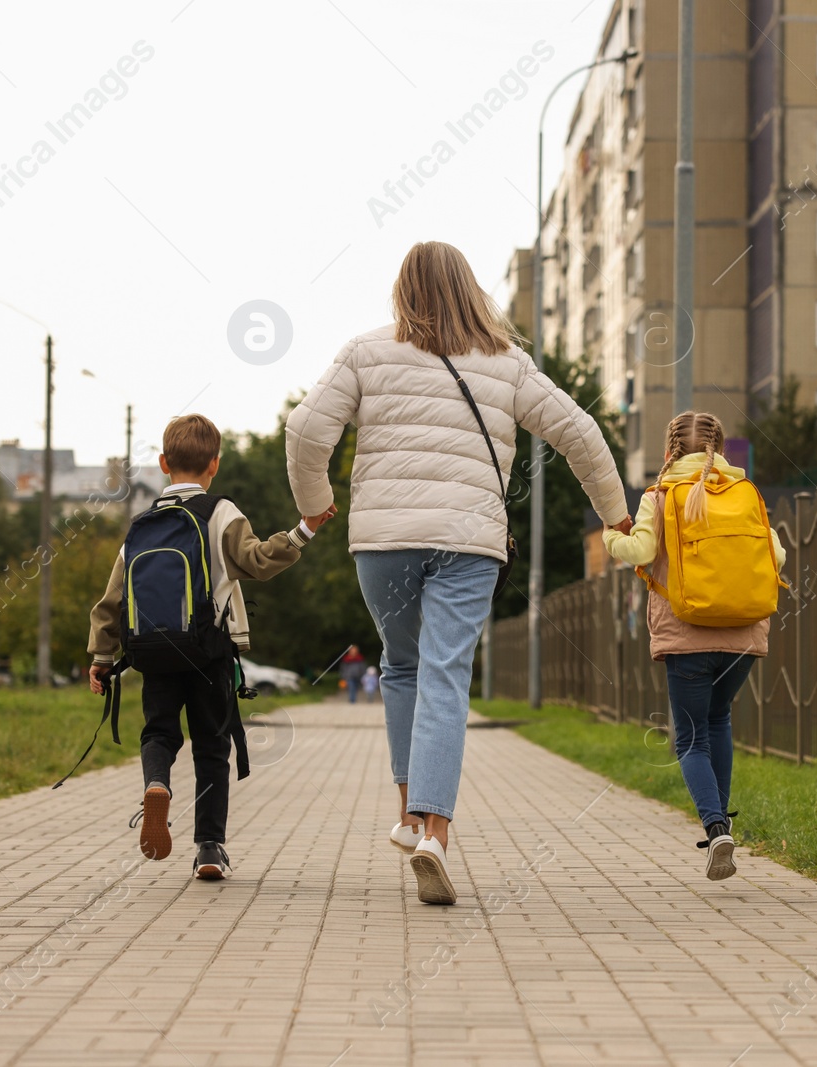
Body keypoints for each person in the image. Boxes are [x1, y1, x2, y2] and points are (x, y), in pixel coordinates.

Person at [286, 240, 629, 905]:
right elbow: (580, 433)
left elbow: (305, 431)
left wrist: (315, 503)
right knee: (445, 674)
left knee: (403, 667)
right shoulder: (508, 363)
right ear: (471, 289)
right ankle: (436, 834)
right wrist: (614, 514)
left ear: (402, 289)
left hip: (384, 541)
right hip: (469, 542)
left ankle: (411, 814)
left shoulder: (366, 351)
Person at [88, 414, 335, 880]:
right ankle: (208, 848)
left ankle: (157, 783)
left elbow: (112, 601)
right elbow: (257, 561)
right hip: (208, 653)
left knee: (158, 733)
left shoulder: (141, 526)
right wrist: (304, 530)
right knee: (211, 748)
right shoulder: (221, 512)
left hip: (155, 653)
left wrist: (102, 658)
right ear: (214, 466)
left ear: (163, 463)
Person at [603, 411, 786, 881]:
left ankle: (716, 825)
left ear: (669, 452)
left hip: (687, 635)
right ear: (720, 449)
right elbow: (777, 556)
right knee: (718, 719)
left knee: (689, 738)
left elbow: (641, 552)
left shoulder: (660, 496)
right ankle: (721, 823)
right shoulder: (747, 493)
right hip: (743, 635)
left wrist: (610, 538)